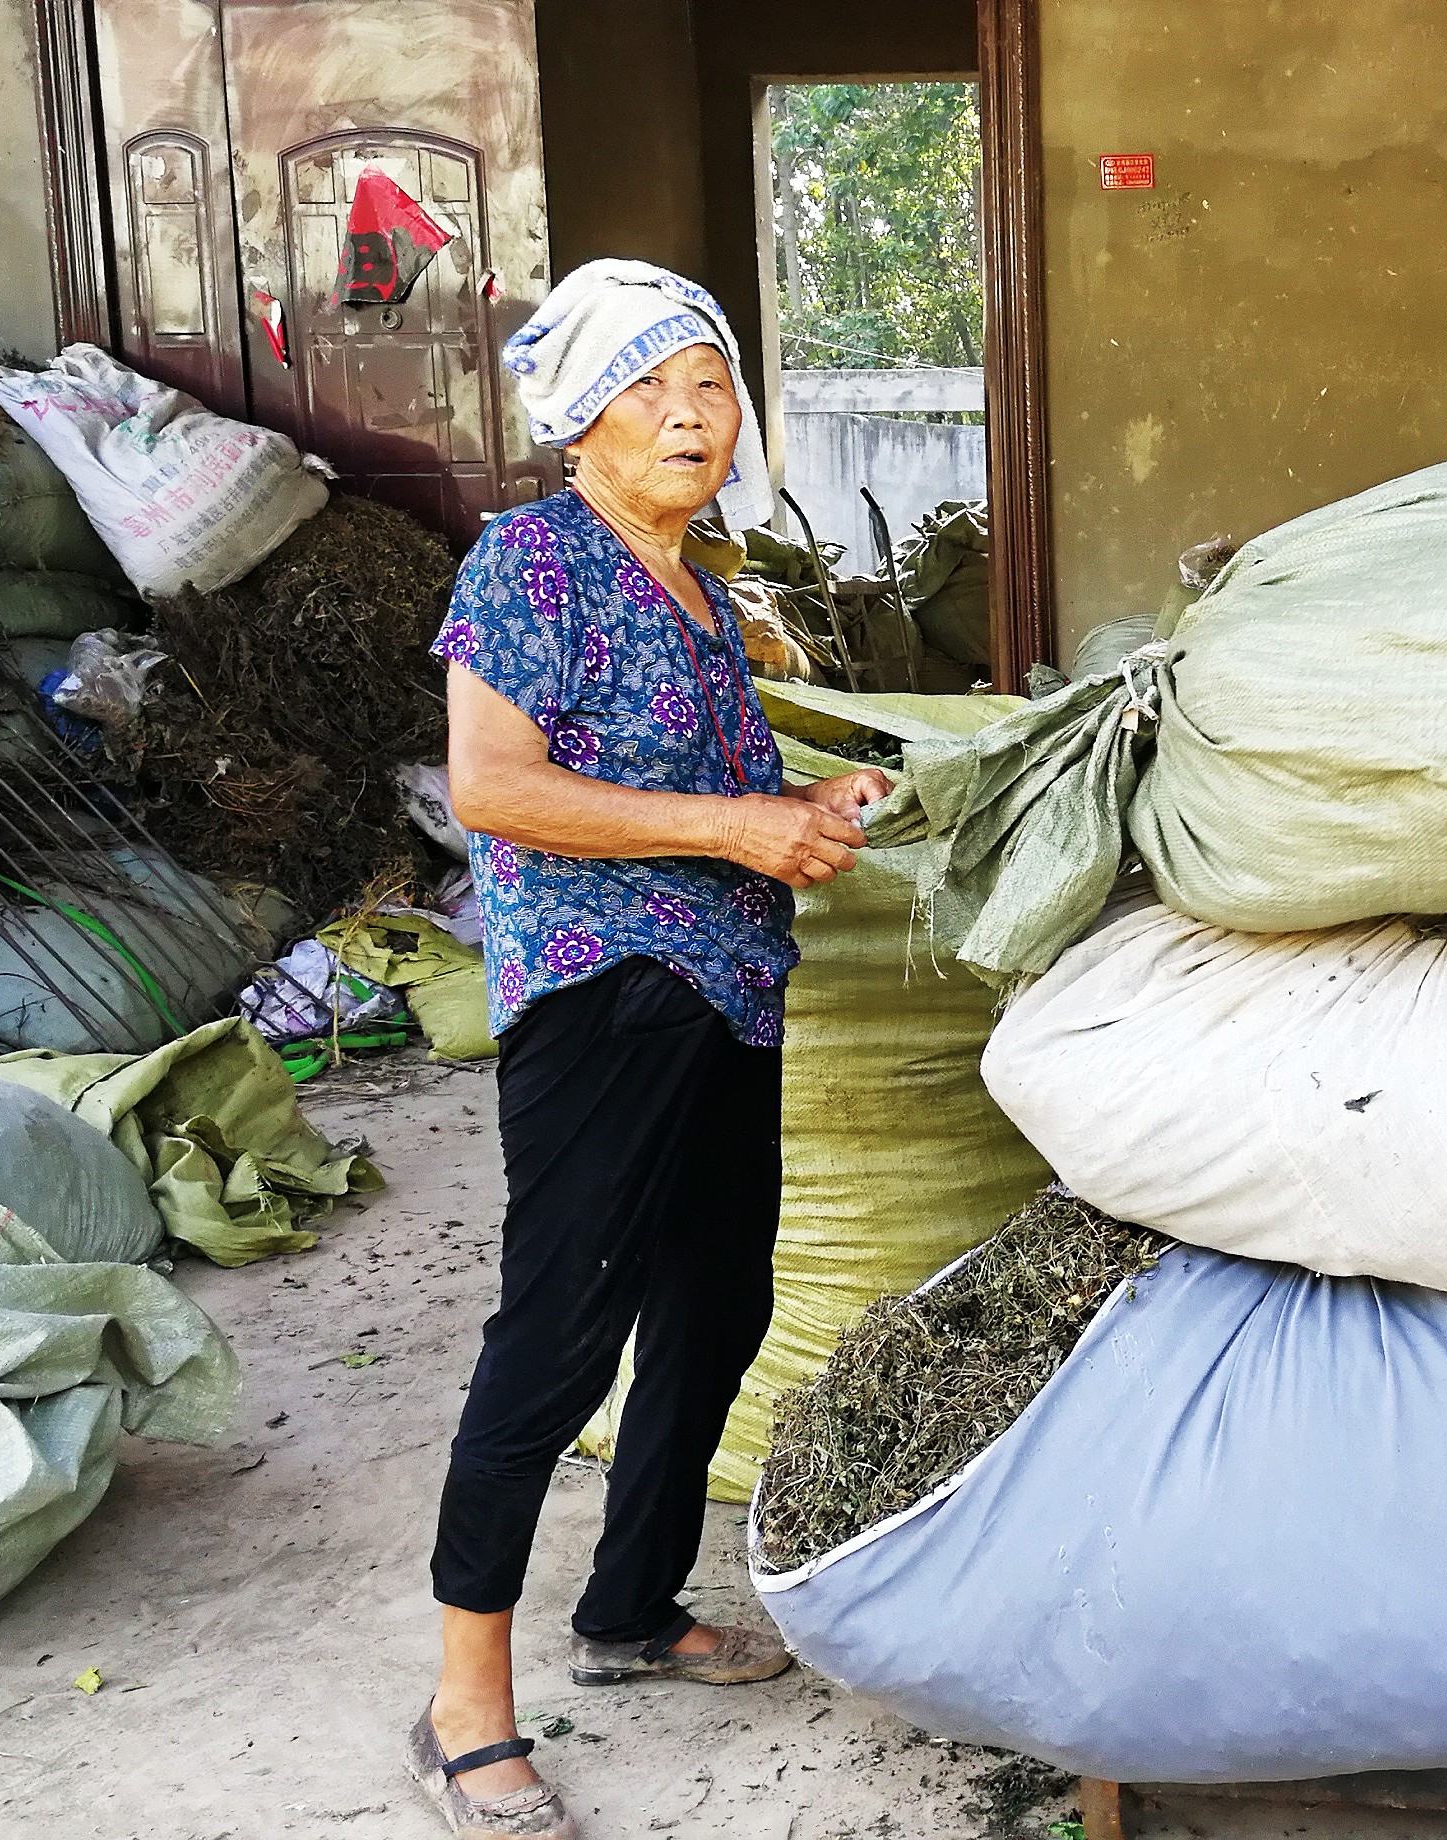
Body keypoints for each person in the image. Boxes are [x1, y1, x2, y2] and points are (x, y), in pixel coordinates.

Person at [407, 260, 892, 1840]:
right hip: (602, 996)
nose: (691, 417)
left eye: (712, 389)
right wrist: (736, 827)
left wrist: (809, 818)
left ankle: (627, 1606)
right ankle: (463, 1697)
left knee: (715, 1303)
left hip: (724, 994)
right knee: (556, 1336)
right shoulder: (532, 565)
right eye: (652, 391)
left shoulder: (698, 582)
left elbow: (714, 805)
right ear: (581, 418)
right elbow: (493, 787)